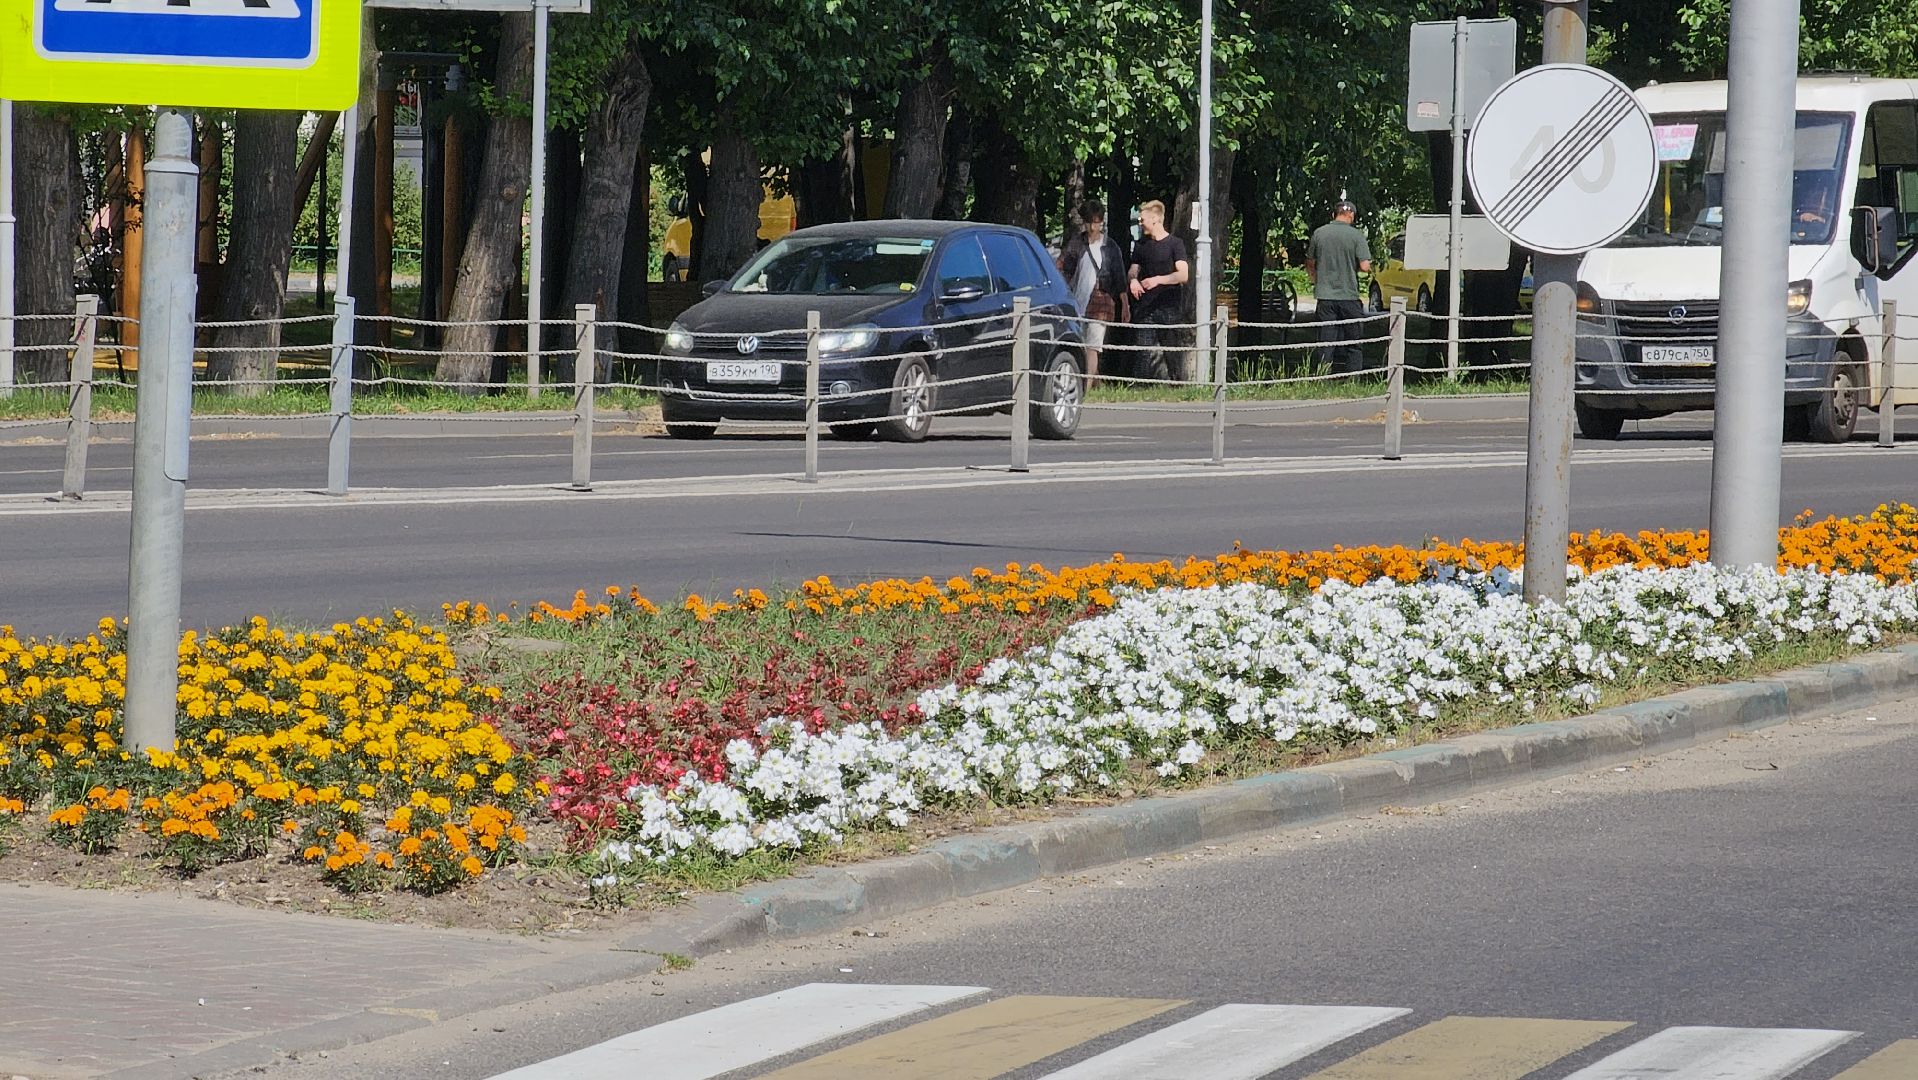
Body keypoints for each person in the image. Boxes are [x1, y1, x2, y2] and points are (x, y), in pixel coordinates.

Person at [1056, 199, 1128, 385]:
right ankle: (1097, 383)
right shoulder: (1076, 243)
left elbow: (1119, 278)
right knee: (1081, 344)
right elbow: (1063, 268)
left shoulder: (1110, 247)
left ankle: (1085, 387)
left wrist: (1125, 305)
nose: (1093, 226)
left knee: (1093, 347)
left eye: (1097, 222)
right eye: (1090, 222)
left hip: (1101, 301)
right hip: (1078, 301)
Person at [1306, 199, 1374, 375]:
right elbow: (1365, 266)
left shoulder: (1319, 233)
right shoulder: (1356, 235)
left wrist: (1315, 279)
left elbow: (1310, 262)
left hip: (1325, 296)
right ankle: (1353, 377)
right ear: (1351, 214)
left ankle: (1322, 376)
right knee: (1354, 342)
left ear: (1334, 214)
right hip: (1349, 295)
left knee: (1326, 341)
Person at [1127, 200, 1189, 382]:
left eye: (1143, 219)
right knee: (1143, 352)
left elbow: (1183, 275)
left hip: (1168, 306)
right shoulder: (1141, 245)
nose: (1140, 223)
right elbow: (1133, 269)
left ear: (1155, 219)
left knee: (1172, 351)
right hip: (1145, 307)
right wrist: (1133, 281)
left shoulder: (1175, 244)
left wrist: (1158, 280)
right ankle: (1141, 388)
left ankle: (1179, 386)